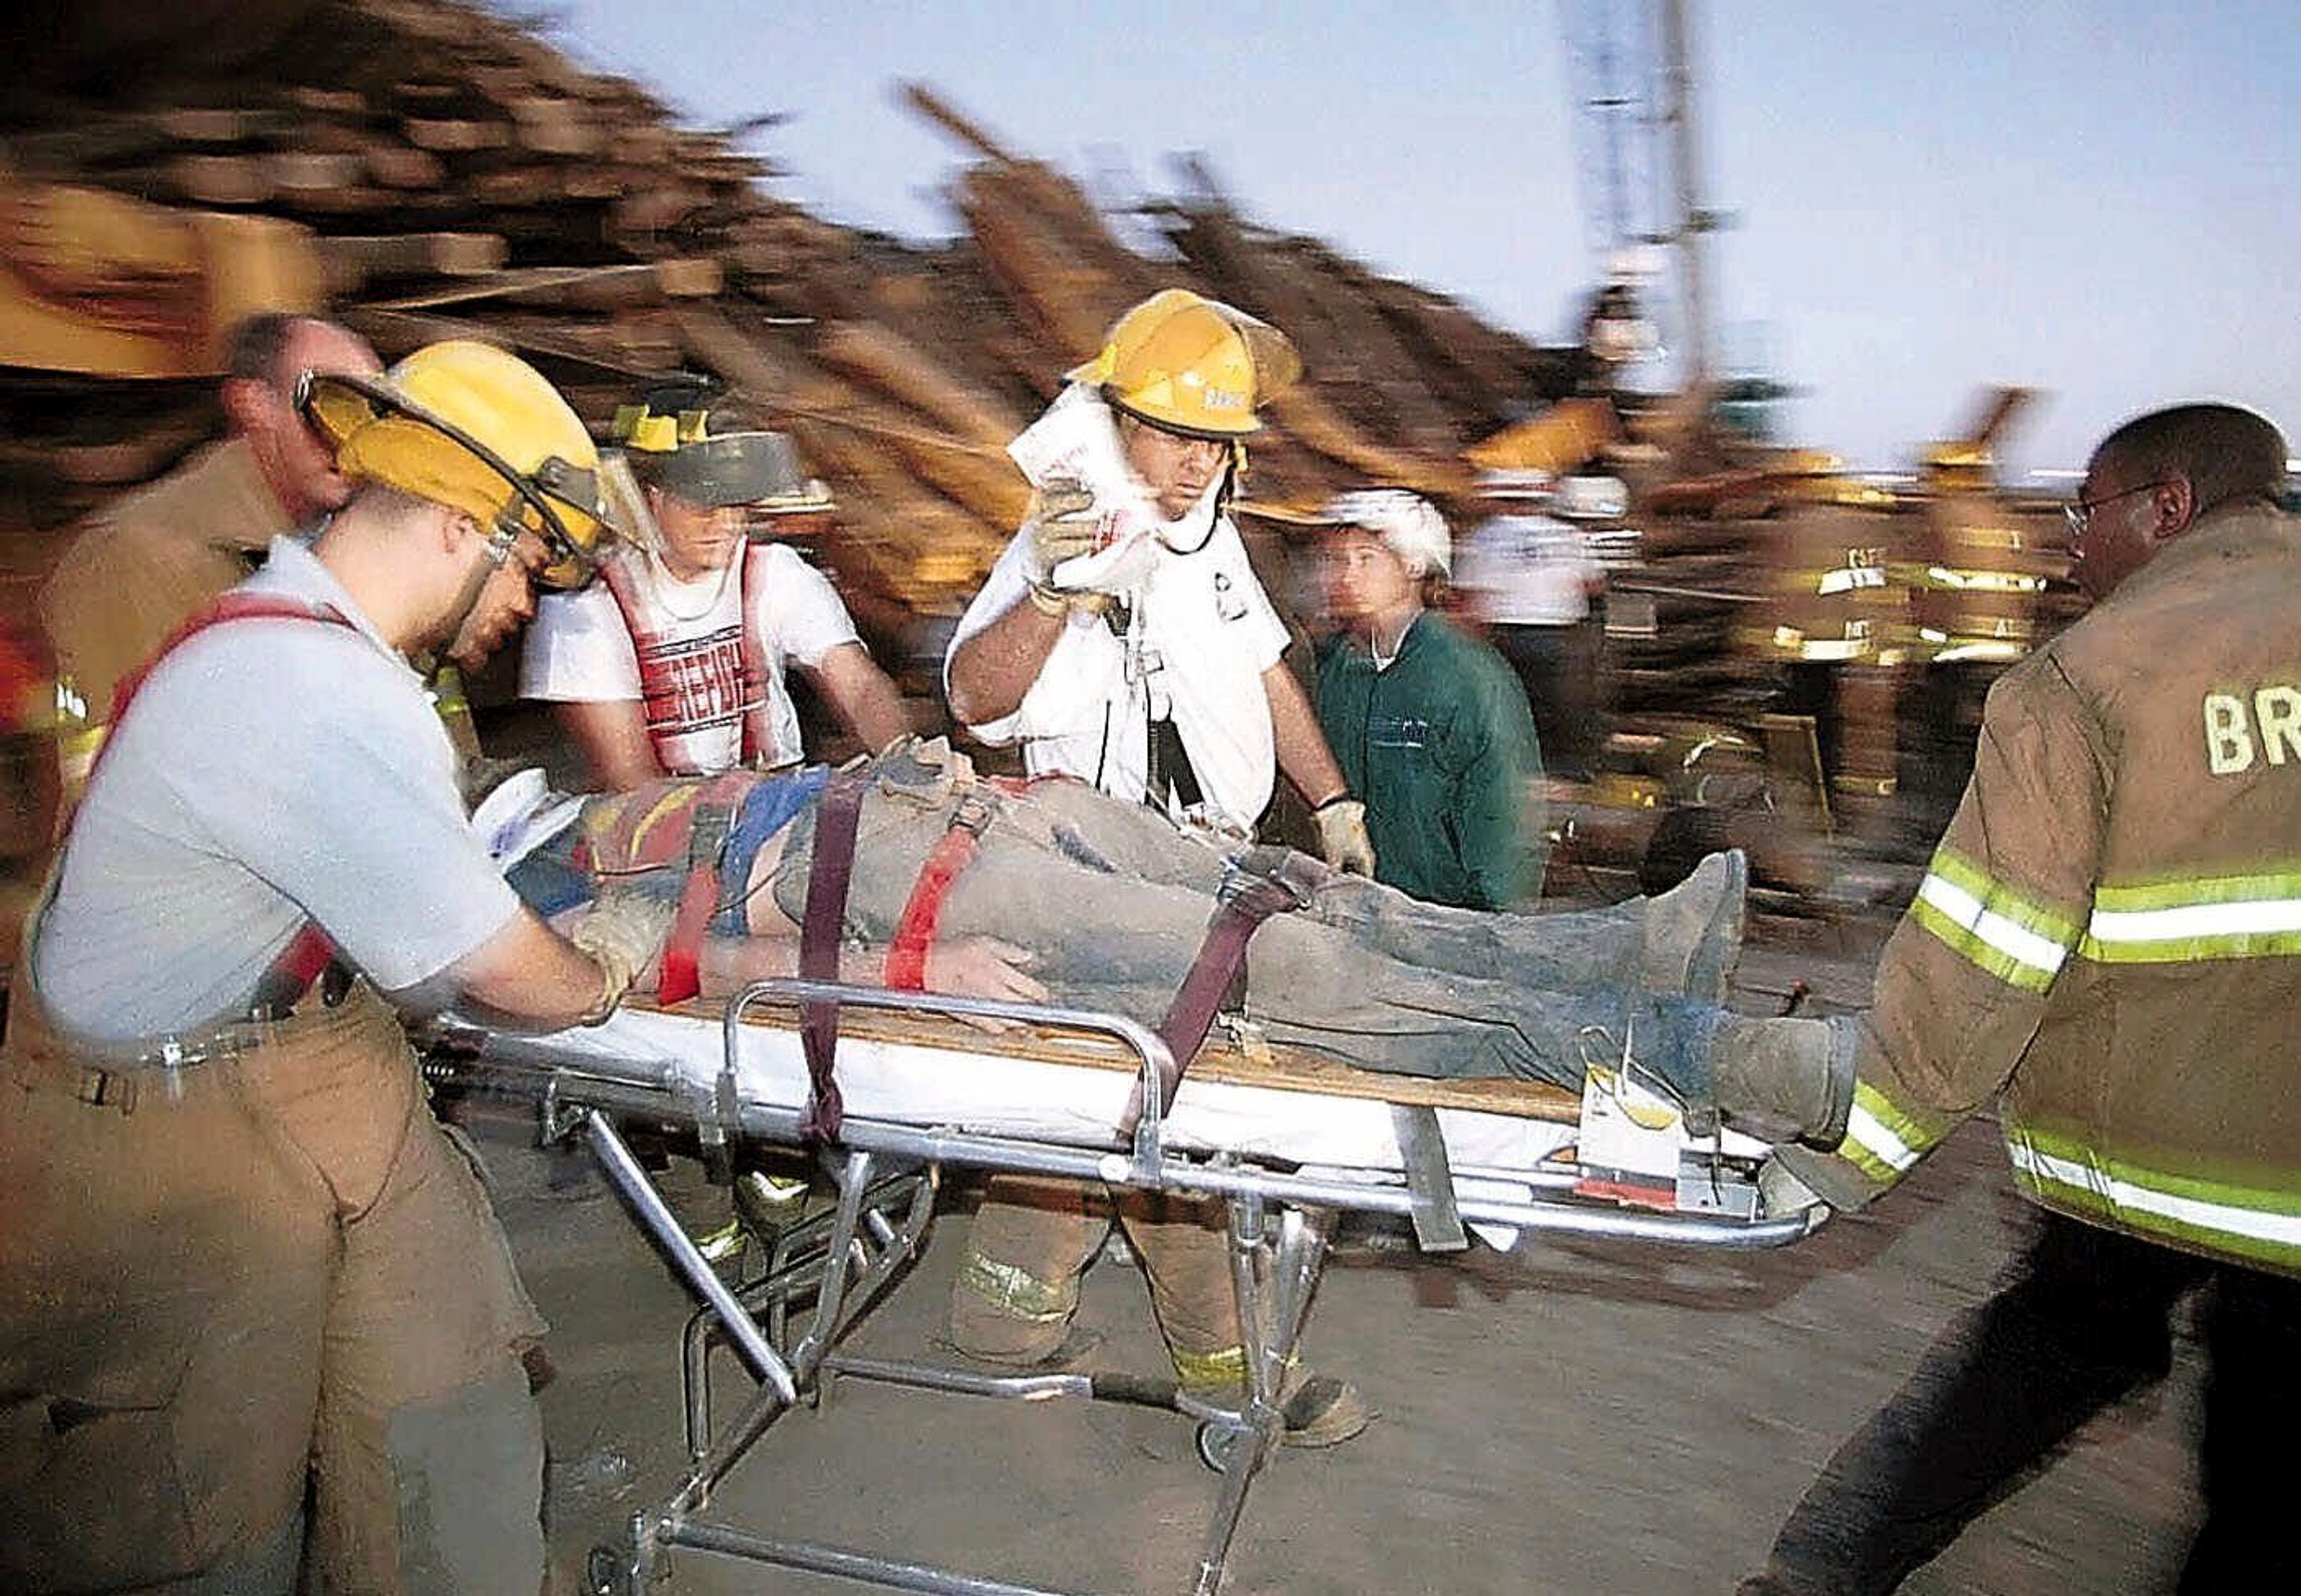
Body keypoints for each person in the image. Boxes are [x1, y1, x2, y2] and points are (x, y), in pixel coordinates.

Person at [0, 340, 672, 1594]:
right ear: (463, 527)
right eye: (528, 564)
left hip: (324, 1056)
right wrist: (606, 969)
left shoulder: (343, 656)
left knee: (453, 1425)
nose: (531, 605)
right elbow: (510, 971)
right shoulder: (299, 685)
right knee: (204, 1530)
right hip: (159, 1130)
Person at [1739, 403, 2301, 1595]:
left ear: (2170, 505)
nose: (2067, 543)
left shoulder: (2091, 676)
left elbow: (1986, 955)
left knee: (2041, 1356)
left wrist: (1852, 1152)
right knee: (2268, 1483)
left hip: (2151, 1160)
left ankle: (1819, 1578)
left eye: (2084, 511)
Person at [938, 288, 1376, 1429]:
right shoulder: (1061, 541)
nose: (1197, 468)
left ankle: (1006, 1315)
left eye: (1217, 445)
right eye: (1176, 437)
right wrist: (1050, 589)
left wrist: (1331, 799)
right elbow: (976, 698)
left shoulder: (1211, 540)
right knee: (1168, 1104)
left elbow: (1269, 670)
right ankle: (1228, 1376)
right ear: (1116, 424)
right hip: (1096, 869)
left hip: (1203, 861)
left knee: (1094, 1103)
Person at [39, 312, 383, 789]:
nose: (353, 439)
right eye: (329, 407)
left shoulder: (349, 545)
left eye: (373, 415)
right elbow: (126, 781)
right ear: (253, 405)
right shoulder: (134, 556)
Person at [521, 379, 908, 787]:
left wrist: (903, 760)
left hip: (777, 798)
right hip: (657, 827)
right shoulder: (589, 609)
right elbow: (627, 776)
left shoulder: (773, 573)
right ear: (648, 496)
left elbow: (860, 687)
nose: (727, 524)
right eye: (705, 506)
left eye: (735, 504)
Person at [1313, 488, 1546, 909]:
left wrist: (1497, 923)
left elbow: (1502, 812)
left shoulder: (1465, 676)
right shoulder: (1328, 668)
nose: (1347, 575)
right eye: (1336, 559)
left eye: (1367, 559)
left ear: (1414, 565)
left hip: (1444, 921)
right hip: (1344, 913)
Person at [1453, 469, 1610, 781]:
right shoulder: (1568, 535)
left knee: (1509, 708)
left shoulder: (1485, 537)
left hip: (1509, 635)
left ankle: (1510, 773)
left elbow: (1473, 598)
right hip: (1562, 635)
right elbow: (1595, 584)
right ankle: (1572, 772)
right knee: (1564, 707)